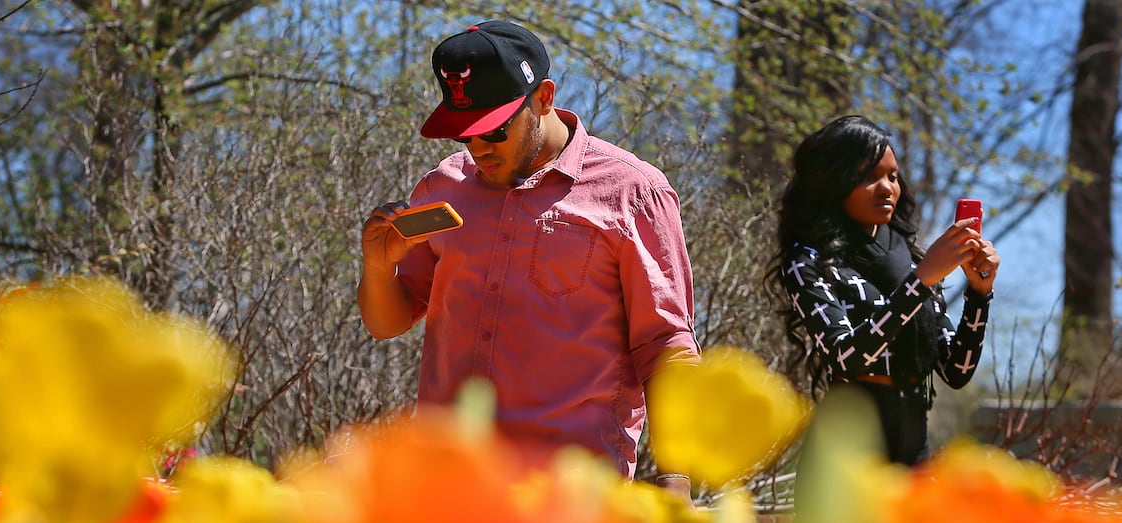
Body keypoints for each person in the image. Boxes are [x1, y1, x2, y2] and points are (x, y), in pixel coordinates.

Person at [357, 19, 699, 493]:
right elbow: (387, 322)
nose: (477, 148)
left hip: (573, 495)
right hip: (448, 490)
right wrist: (378, 268)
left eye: (493, 131)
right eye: (463, 135)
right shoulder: (442, 187)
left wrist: (677, 476)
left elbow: (665, 344)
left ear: (543, 99)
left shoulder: (633, 193)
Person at [772, 114, 1000, 465]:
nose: (887, 187)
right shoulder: (808, 261)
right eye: (868, 176)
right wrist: (920, 281)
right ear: (834, 181)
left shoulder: (910, 258)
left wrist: (979, 294)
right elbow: (847, 356)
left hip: (914, 444)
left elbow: (956, 370)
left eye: (893, 176)